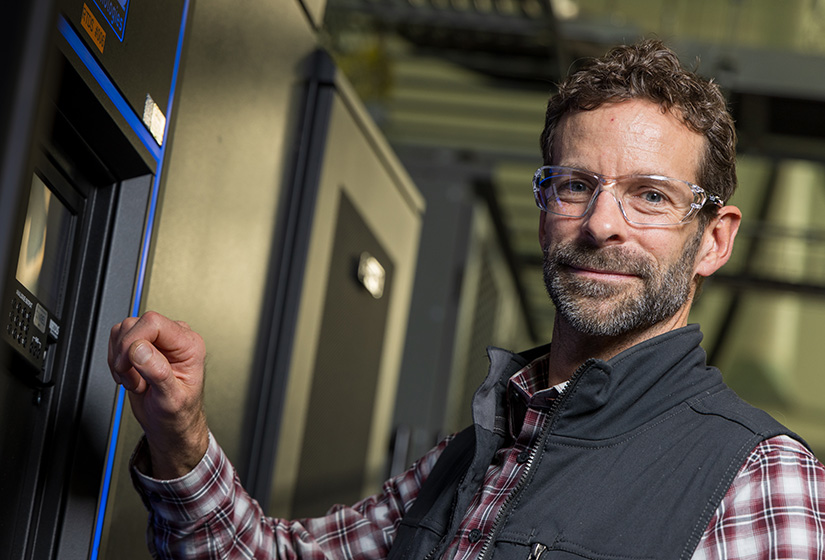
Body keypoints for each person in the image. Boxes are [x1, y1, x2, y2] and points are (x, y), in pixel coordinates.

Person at [108, 39, 825, 559]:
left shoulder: (760, 479)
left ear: (712, 240)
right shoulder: (474, 454)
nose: (602, 223)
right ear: (544, 206)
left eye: (650, 196)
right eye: (575, 185)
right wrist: (180, 433)